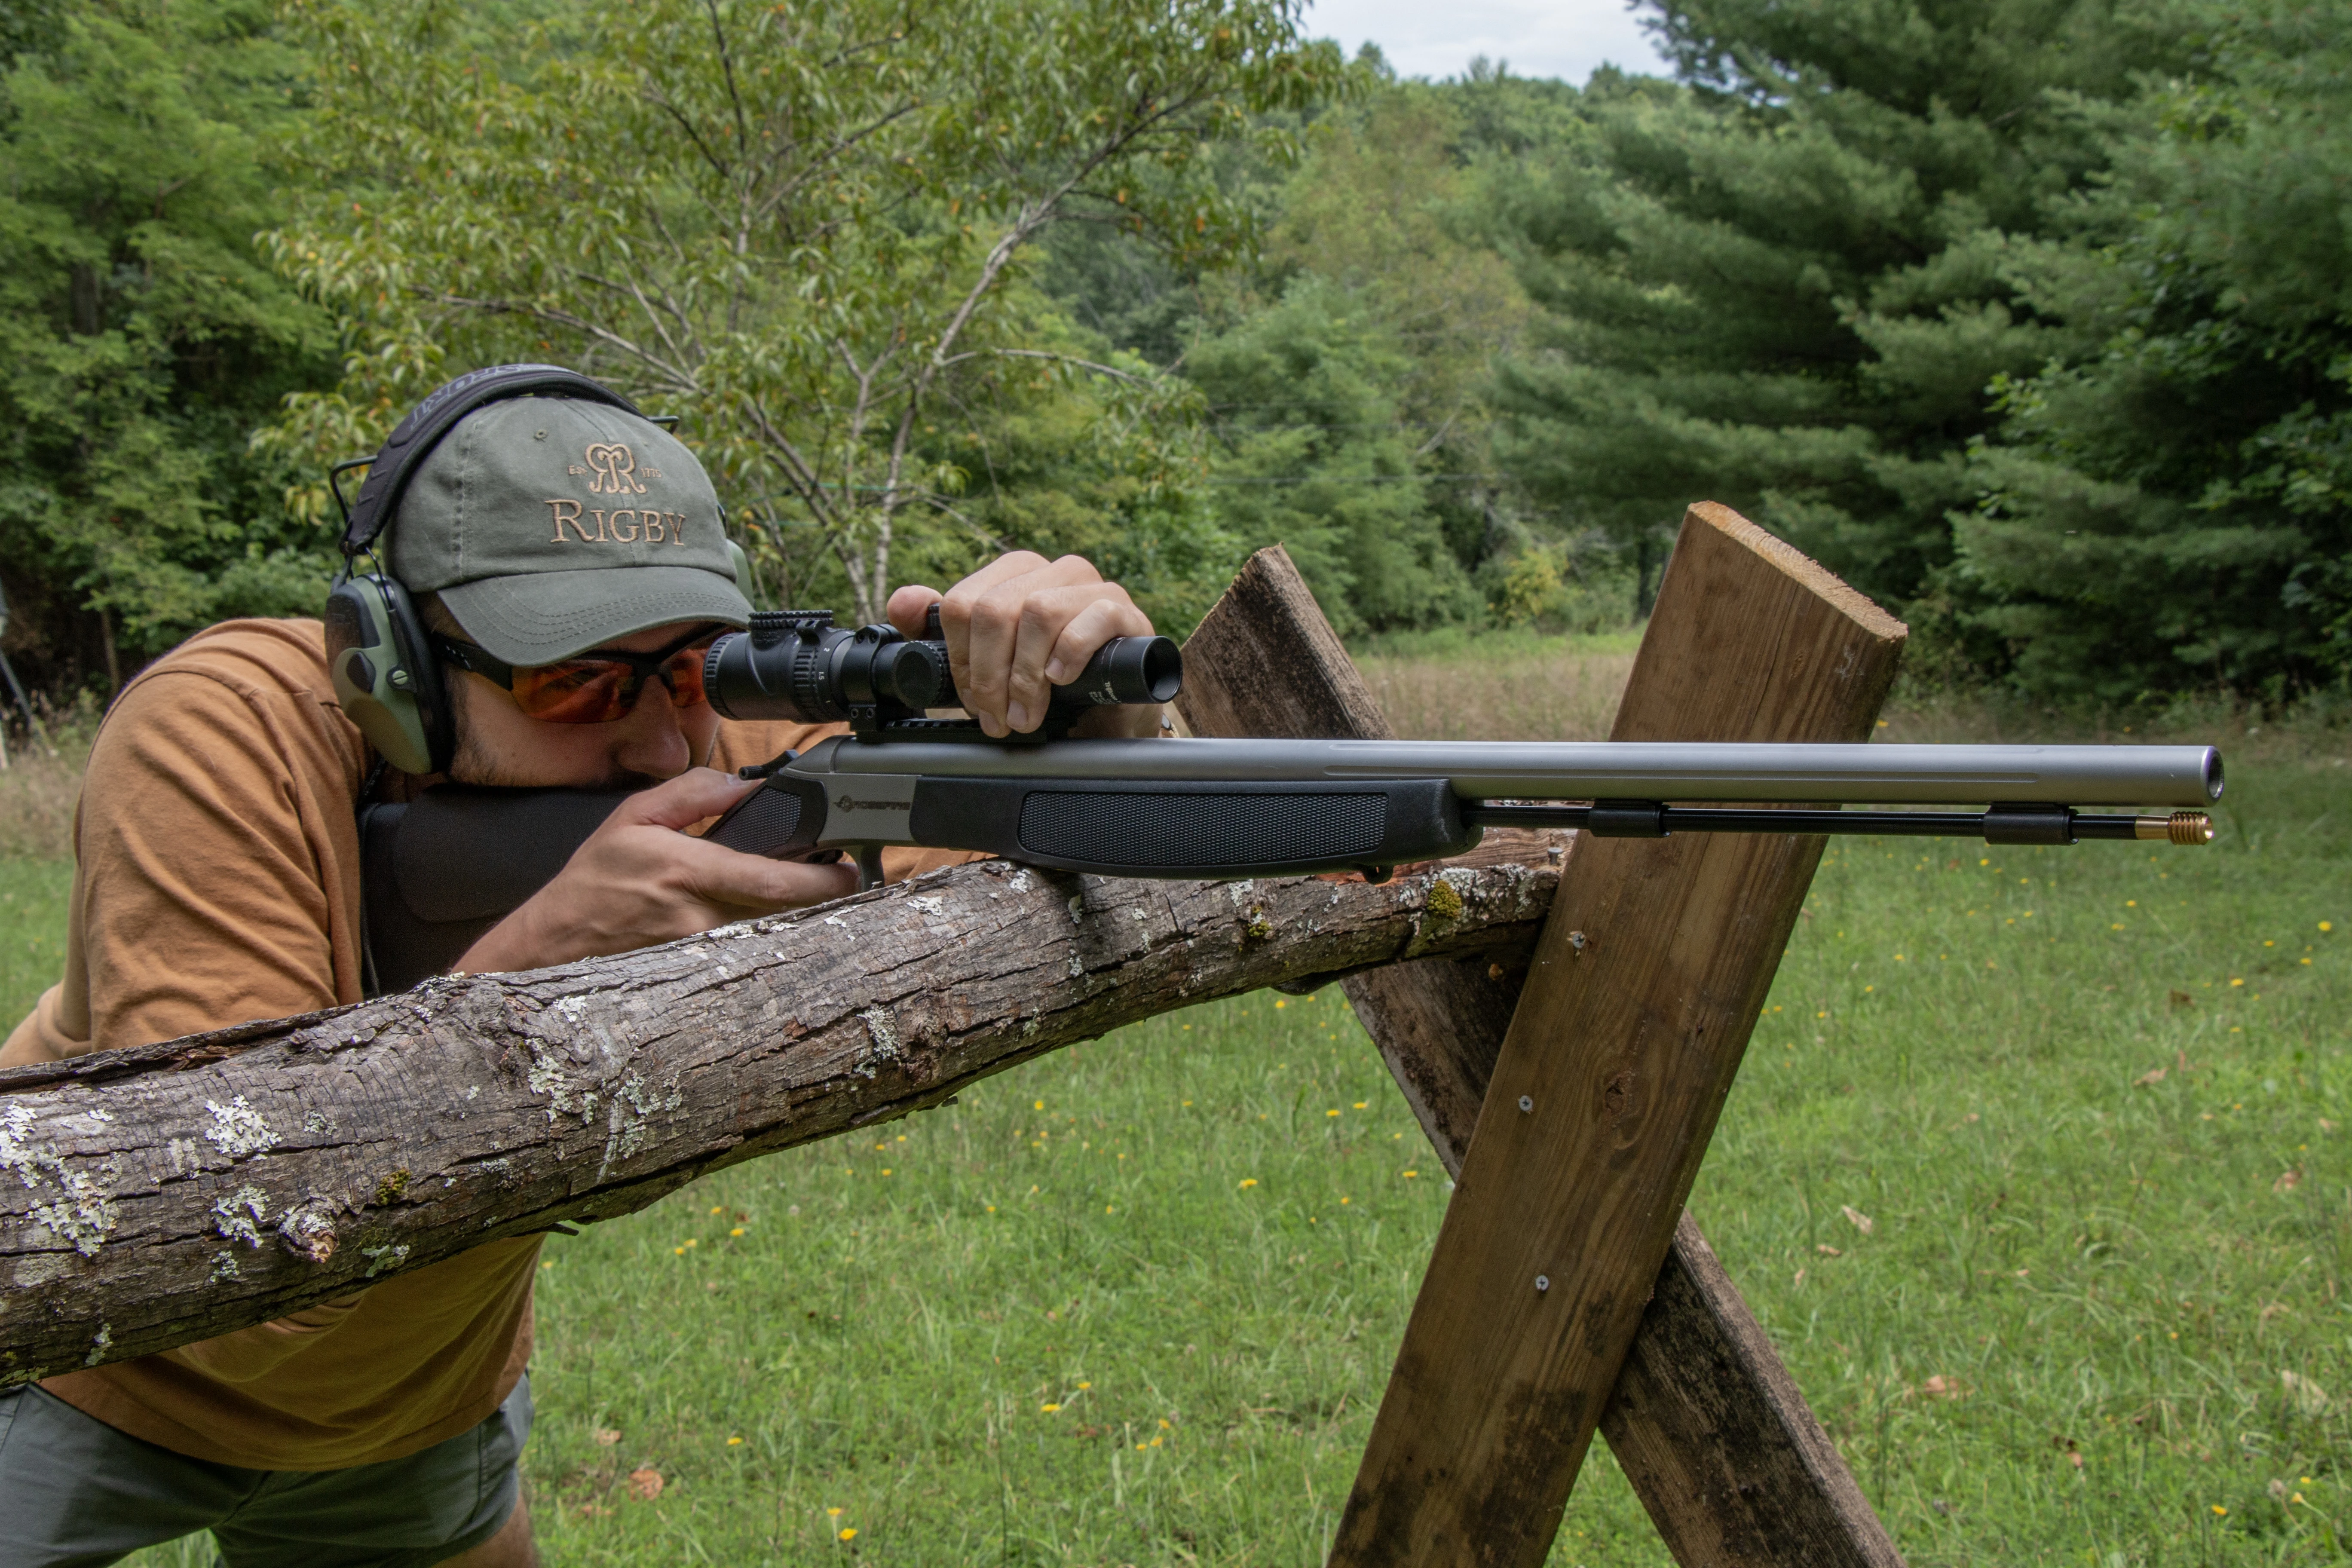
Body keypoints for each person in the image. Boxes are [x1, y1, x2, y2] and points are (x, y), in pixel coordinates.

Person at [0, 375, 1160, 1567]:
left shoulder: (704, 734)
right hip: (83, 1369)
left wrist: (1091, 722)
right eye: (573, 681)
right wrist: (530, 980)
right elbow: (220, 1253)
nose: (662, 743)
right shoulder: (222, 730)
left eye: (693, 670)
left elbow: (988, 828)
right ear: (390, 665)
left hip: (411, 1401)